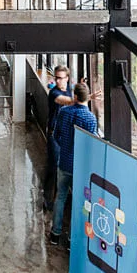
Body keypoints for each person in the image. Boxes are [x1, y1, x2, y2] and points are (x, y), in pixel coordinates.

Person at [49, 82, 99, 246]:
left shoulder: (64, 112)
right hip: (81, 167)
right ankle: (72, 240)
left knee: (60, 197)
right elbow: (91, 145)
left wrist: (65, 148)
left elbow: (56, 136)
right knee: (78, 202)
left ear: (75, 96)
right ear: (87, 97)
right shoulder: (90, 118)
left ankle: (55, 234)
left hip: (64, 162)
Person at [44, 65, 73, 210]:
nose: (58, 81)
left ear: (67, 78)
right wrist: (87, 97)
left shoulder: (70, 90)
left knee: (64, 168)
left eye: (61, 78)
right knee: (53, 166)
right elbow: (67, 101)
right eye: (56, 78)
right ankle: (48, 199)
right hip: (54, 135)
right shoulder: (54, 93)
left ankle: (61, 197)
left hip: (66, 135)